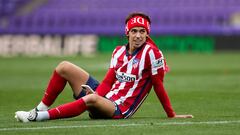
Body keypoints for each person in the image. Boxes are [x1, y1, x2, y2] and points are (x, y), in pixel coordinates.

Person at [15, 12, 193, 122]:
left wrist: (171, 114)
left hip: (120, 109)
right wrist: (98, 94)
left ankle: (37, 118)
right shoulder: (117, 51)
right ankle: (39, 109)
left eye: (142, 31)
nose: (138, 35)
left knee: (91, 100)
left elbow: (158, 85)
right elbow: (108, 81)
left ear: (147, 33)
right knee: (64, 67)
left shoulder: (152, 53)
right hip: (104, 96)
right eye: (134, 31)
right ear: (127, 33)